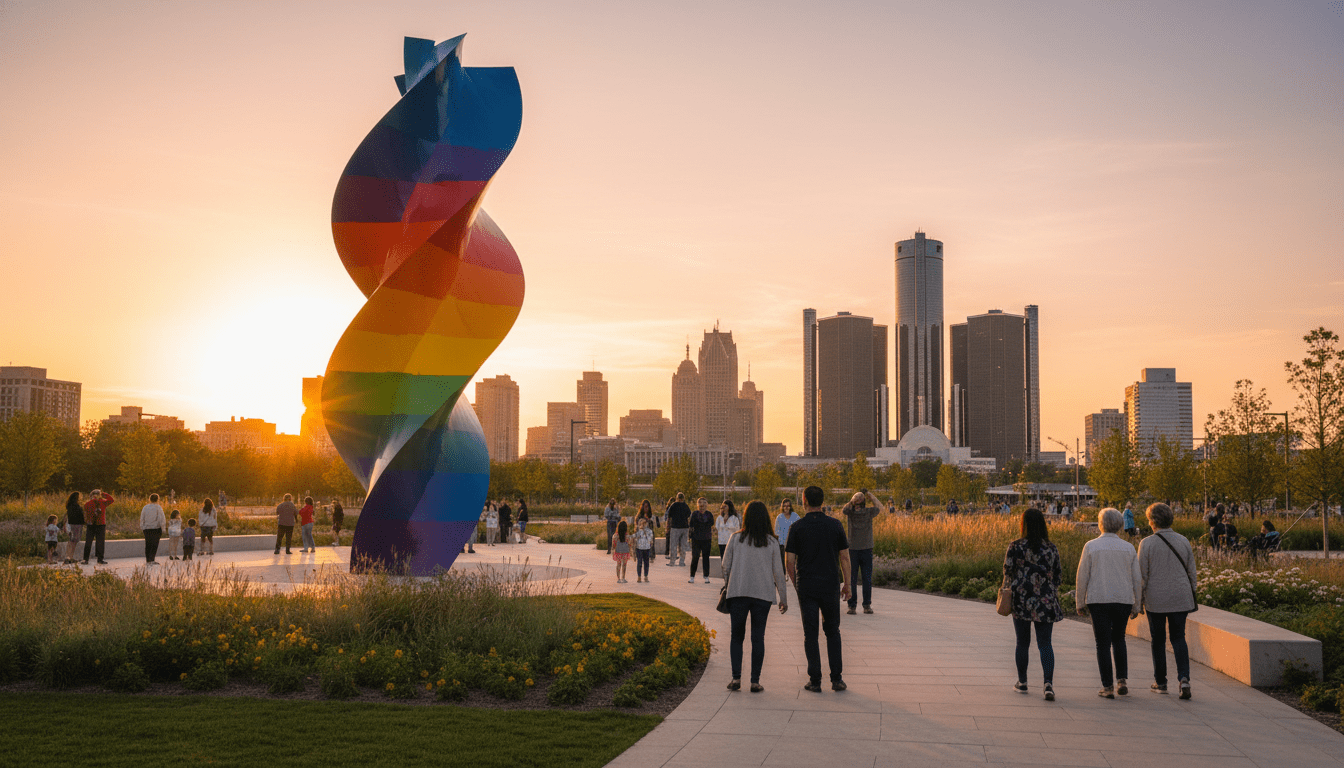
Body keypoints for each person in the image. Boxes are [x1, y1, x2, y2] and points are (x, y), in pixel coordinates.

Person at [786, 485, 851, 693]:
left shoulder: (796, 527)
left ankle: (815, 680)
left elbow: (789, 561)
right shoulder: (835, 525)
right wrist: (847, 584)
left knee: (810, 633)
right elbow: (845, 557)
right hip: (830, 584)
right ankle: (837, 679)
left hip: (807, 585)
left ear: (804, 500)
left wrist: (796, 583)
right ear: (822, 501)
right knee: (833, 631)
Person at [722, 500, 789, 693]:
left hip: (738, 592)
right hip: (762, 594)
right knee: (758, 637)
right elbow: (778, 572)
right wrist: (783, 598)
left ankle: (736, 679)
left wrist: (729, 584)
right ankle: (754, 681)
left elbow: (726, 566)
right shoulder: (771, 542)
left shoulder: (736, 538)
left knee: (737, 636)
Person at [1076, 508, 1142, 698]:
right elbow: (1137, 578)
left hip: (1099, 599)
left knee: (1102, 643)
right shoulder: (1128, 548)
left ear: (1100, 524)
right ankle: (1122, 679)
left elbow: (1082, 576)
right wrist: (1137, 604)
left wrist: (1080, 601)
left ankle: (1107, 686)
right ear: (1121, 525)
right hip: (1123, 599)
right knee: (1119, 639)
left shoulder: (1091, 546)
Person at [1004, 507, 1064, 701]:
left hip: (1021, 599)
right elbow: (1058, 575)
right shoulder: (1051, 548)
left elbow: (1007, 571)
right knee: (1045, 643)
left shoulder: (1015, 546)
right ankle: (1048, 683)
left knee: (1022, 642)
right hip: (1045, 601)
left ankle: (1022, 682)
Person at [1139, 502, 1197, 700]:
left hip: (1156, 598)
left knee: (1158, 640)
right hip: (1180, 597)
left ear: (1153, 521)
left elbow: (1142, 576)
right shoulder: (1183, 540)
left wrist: (1138, 600)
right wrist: (1192, 592)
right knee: (1178, 637)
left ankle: (1161, 681)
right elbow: (1191, 572)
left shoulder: (1146, 543)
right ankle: (1184, 678)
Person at [842, 490, 886, 615]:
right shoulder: (863, 512)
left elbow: (844, 509)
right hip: (860, 549)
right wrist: (871, 496)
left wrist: (853, 499)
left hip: (859, 549)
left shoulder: (856, 512)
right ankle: (864, 605)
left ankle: (855, 606)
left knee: (857, 579)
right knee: (864, 578)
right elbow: (880, 507)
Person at [82, 489, 113, 565]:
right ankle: (100, 559)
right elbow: (111, 500)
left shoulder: (87, 504)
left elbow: (85, 514)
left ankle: (85, 559)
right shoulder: (103, 503)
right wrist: (103, 494)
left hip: (91, 524)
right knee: (100, 542)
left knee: (88, 542)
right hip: (101, 524)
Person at [688, 498, 715, 583]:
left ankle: (706, 576)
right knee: (695, 557)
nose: (702, 507)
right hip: (696, 539)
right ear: (698, 506)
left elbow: (711, 524)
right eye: (700, 506)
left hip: (706, 539)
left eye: (703, 505)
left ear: (706, 506)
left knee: (706, 558)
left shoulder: (709, 515)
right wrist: (690, 537)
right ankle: (692, 576)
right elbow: (691, 526)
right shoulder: (695, 514)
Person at [665, 493, 691, 566]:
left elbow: (669, 516)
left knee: (673, 545)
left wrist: (668, 527)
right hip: (684, 528)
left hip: (675, 527)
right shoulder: (686, 506)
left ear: (677, 498)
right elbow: (689, 515)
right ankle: (681, 562)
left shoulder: (673, 505)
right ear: (683, 498)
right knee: (683, 546)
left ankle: (672, 562)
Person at [140, 493, 166, 565]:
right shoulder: (158, 507)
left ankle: (148, 560)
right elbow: (161, 518)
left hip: (147, 528)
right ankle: (152, 560)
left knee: (148, 544)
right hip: (156, 528)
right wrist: (163, 528)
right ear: (157, 499)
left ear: (149, 499)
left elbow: (142, 517)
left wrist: (142, 527)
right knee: (154, 544)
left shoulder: (145, 507)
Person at [773, 498, 800, 563]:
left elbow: (800, 530)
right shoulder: (779, 517)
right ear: (782, 507)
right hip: (782, 547)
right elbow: (776, 532)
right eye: (784, 506)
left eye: (788, 506)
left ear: (790, 507)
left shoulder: (795, 516)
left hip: (794, 546)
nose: (786, 508)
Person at [63, 491, 83, 564]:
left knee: (71, 541)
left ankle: (69, 557)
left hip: (71, 524)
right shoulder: (76, 506)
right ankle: (69, 557)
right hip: (76, 525)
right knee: (73, 541)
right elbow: (80, 515)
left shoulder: (69, 505)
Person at [633, 516, 655, 583]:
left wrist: (645, 533)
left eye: (644, 523)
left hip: (646, 548)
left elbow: (650, 539)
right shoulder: (638, 531)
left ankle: (646, 576)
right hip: (639, 548)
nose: (643, 525)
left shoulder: (649, 531)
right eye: (641, 524)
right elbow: (635, 539)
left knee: (646, 563)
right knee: (639, 563)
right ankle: (639, 577)